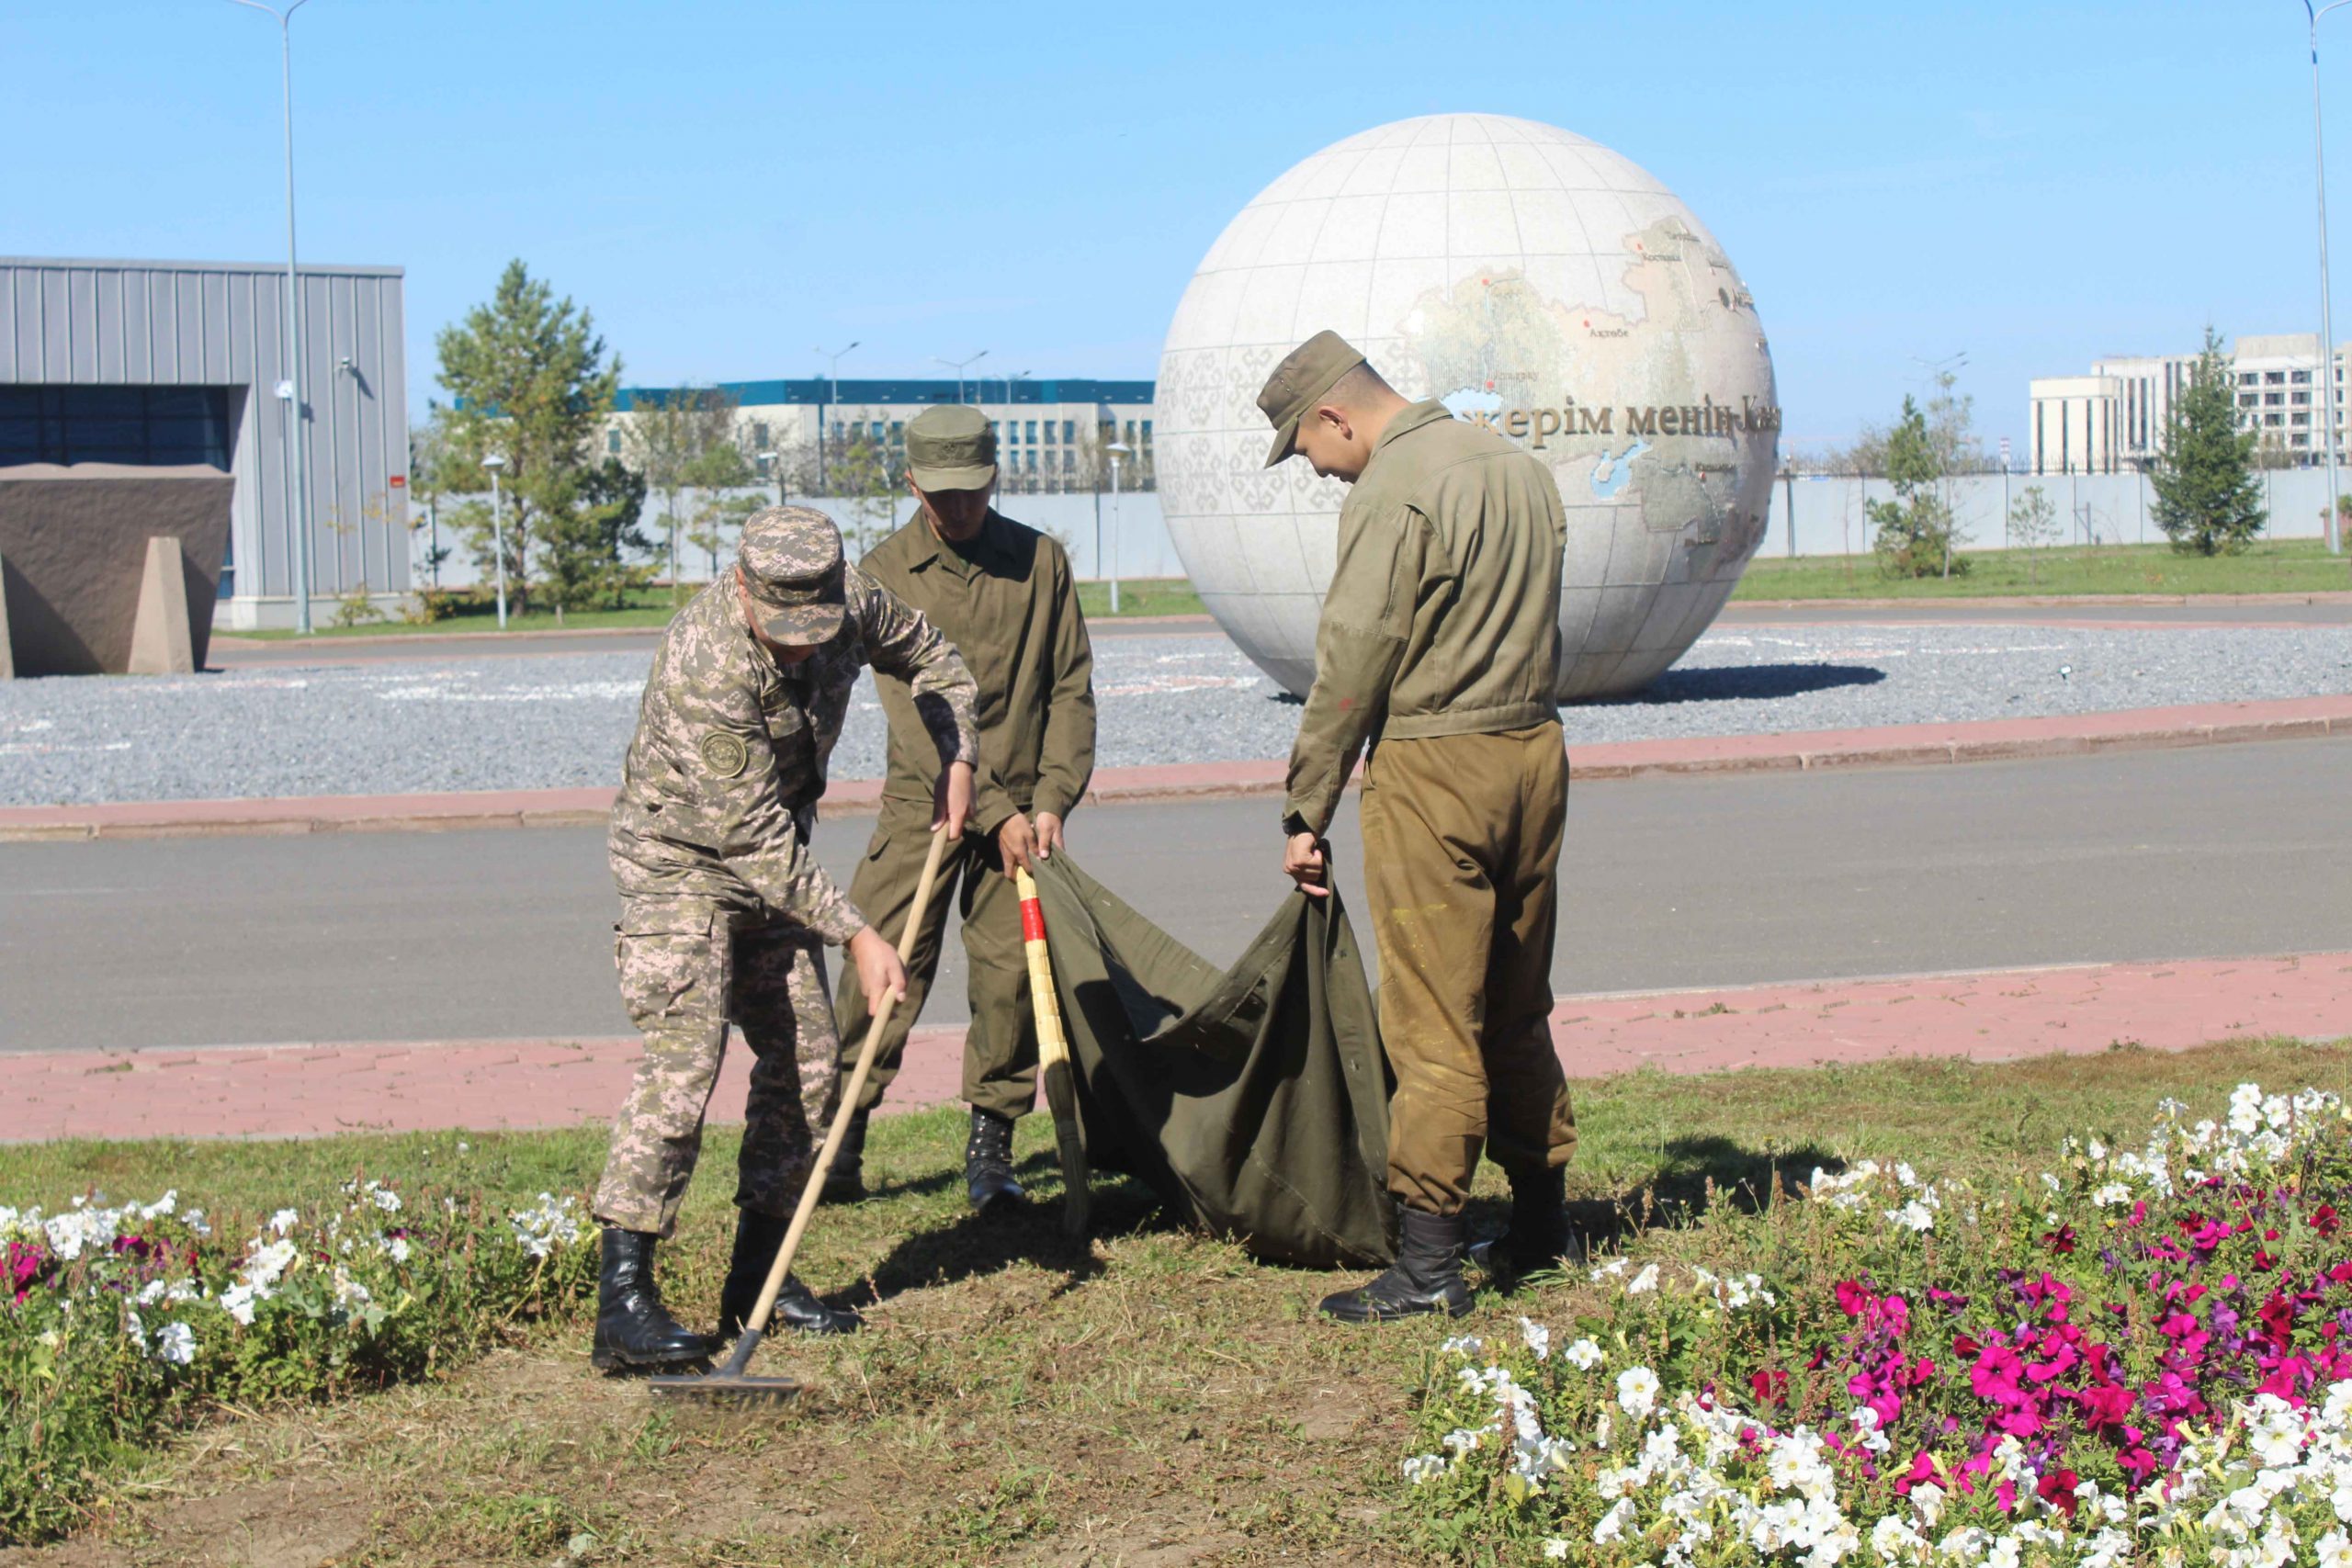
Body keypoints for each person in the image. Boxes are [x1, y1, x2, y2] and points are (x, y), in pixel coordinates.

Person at [591, 504, 978, 1369]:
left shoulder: (855, 602)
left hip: (771, 860)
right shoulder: (707, 661)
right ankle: (623, 1303)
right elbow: (751, 837)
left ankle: (760, 1280)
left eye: (818, 630)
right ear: (743, 588)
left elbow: (937, 659)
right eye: (784, 633)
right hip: (680, 859)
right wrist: (857, 934)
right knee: (686, 1061)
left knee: (808, 1055)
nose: (803, 648)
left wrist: (960, 754)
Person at [1258, 331, 1579, 1323]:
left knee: (1435, 1020)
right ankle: (1539, 1224)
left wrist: (1306, 802)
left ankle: (1429, 1262)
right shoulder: (1515, 467)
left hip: (1434, 766)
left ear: (1335, 417)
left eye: (1306, 449)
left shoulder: (1393, 491)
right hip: (1532, 750)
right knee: (1520, 1004)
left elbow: (1355, 656)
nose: (1313, 469)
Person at [826, 405, 1097, 1212]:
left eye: (974, 492)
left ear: (996, 477)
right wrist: (995, 806)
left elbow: (1071, 688)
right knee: (877, 974)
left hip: (1020, 820)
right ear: (911, 483)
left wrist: (1052, 798)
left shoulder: (1040, 562)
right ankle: (840, 1137)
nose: (960, 509)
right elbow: (914, 722)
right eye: (943, 495)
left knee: (1014, 979)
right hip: (926, 805)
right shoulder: (881, 571)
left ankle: (992, 1145)